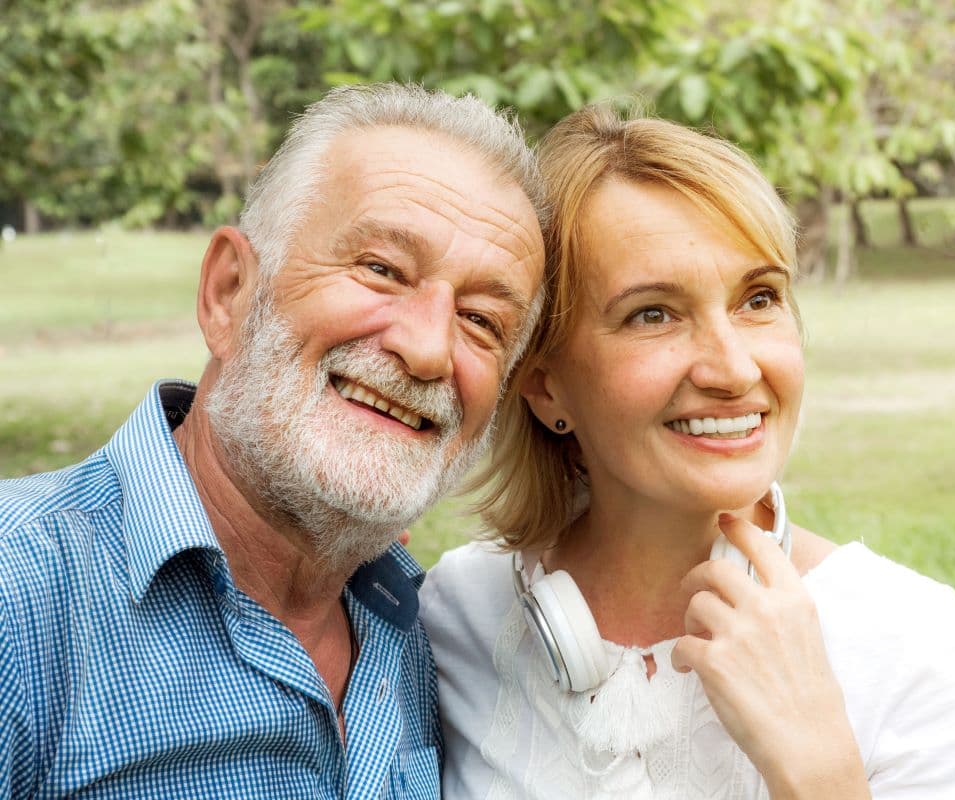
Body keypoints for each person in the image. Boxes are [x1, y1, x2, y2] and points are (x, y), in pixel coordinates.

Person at [419, 106, 955, 799]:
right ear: (547, 388)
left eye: (759, 299)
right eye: (653, 313)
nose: (732, 370)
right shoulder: (452, 612)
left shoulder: (916, 644)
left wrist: (818, 770)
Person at [0, 83, 546, 798]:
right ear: (230, 292)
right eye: (382, 270)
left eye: (481, 320)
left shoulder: (419, 634)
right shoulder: (22, 597)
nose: (428, 351)